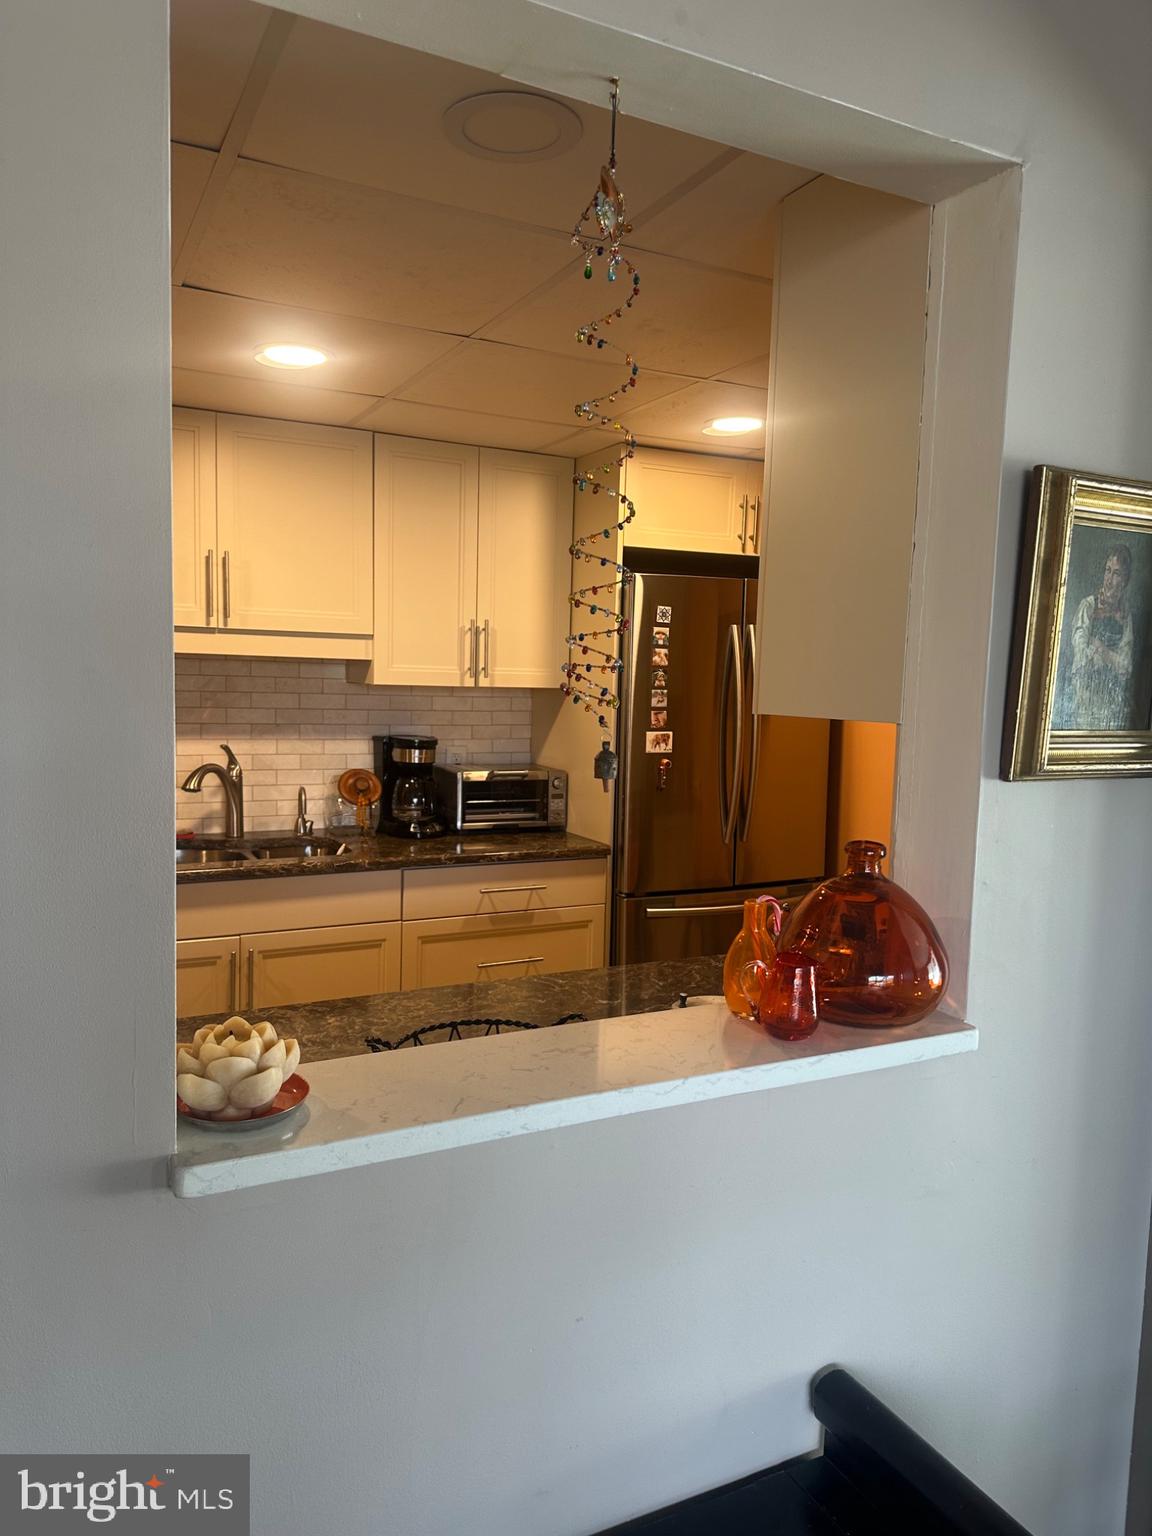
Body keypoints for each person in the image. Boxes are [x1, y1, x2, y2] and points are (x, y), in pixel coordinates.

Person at [1062, 543, 1135, 729]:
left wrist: (1101, 650)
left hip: (1111, 702)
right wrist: (1110, 658)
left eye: (1116, 574)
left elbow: (1126, 667)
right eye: (1107, 571)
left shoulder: (1126, 616)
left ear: (1125, 581)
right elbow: (1080, 657)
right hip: (1085, 698)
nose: (1109, 580)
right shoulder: (1088, 606)